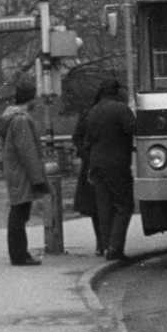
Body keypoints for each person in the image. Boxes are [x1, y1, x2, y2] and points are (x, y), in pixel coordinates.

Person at [81, 78, 136, 263]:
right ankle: (115, 249)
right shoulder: (121, 109)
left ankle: (107, 248)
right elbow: (135, 128)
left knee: (104, 207)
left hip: (96, 164)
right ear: (117, 92)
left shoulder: (94, 110)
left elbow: (87, 140)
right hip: (117, 163)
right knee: (124, 205)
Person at [0, 77, 49, 267]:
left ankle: (18, 253)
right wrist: (37, 179)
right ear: (30, 99)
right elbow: (28, 152)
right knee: (20, 213)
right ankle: (20, 255)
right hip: (22, 173)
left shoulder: (11, 117)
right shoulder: (21, 120)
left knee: (18, 212)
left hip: (15, 171)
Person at [71, 88, 103, 249]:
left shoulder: (88, 112)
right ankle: (101, 241)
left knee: (98, 205)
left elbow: (76, 137)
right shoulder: (88, 113)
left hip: (93, 162)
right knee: (96, 204)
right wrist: (87, 155)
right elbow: (77, 136)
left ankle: (103, 241)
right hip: (92, 164)